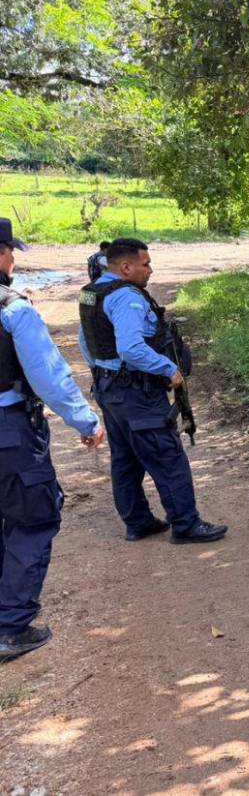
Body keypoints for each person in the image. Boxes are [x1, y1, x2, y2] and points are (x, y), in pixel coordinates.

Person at [0, 219, 105, 662]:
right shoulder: (13, 309)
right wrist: (86, 422)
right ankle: (10, 628)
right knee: (32, 520)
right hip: (9, 432)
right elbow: (48, 376)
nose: (13, 261)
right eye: (10, 252)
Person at [78, 238, 227, 544]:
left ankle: (138, 522)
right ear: (125, 267)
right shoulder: (126, 297)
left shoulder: (92, 293)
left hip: (110, 389)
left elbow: (87, 343)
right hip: (136, 392)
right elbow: (131, 347)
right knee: (167, 456)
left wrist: (105, 371)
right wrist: (168, 369)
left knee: (126, 459)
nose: (150, 270)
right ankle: (186, 524)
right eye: (145, 264)